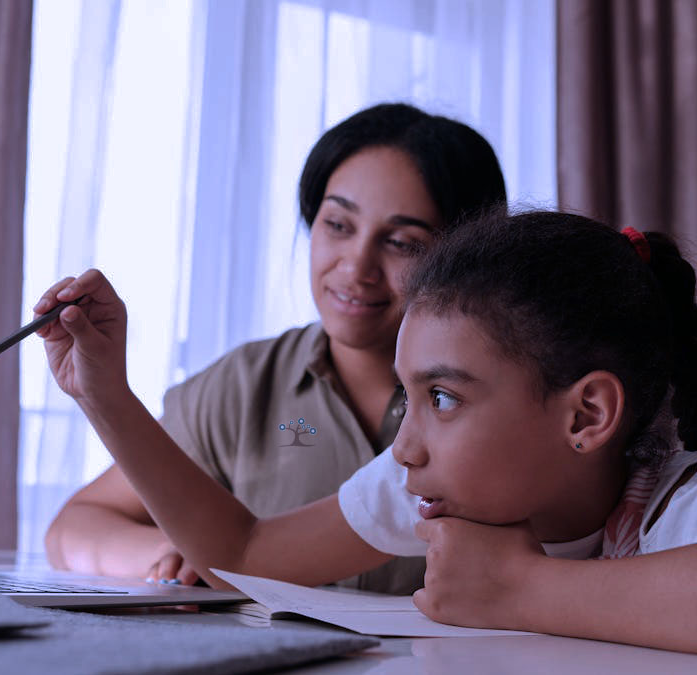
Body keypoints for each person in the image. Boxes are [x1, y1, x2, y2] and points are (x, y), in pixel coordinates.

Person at [36, 210, 697, 660]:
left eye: (442, 397)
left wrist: (520, 591)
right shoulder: (426, 488)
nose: (404, 446)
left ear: (586, 416)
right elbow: (247, 548)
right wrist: (103, 394)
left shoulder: (689, 498)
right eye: (409, 396)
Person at [41, 103, 506, 594]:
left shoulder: (499, 403)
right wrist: (171, 553)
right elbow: (76, 527)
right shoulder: (243, 386)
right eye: (338, 225)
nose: (356, 267)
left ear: (467, 257)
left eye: (402, 242)